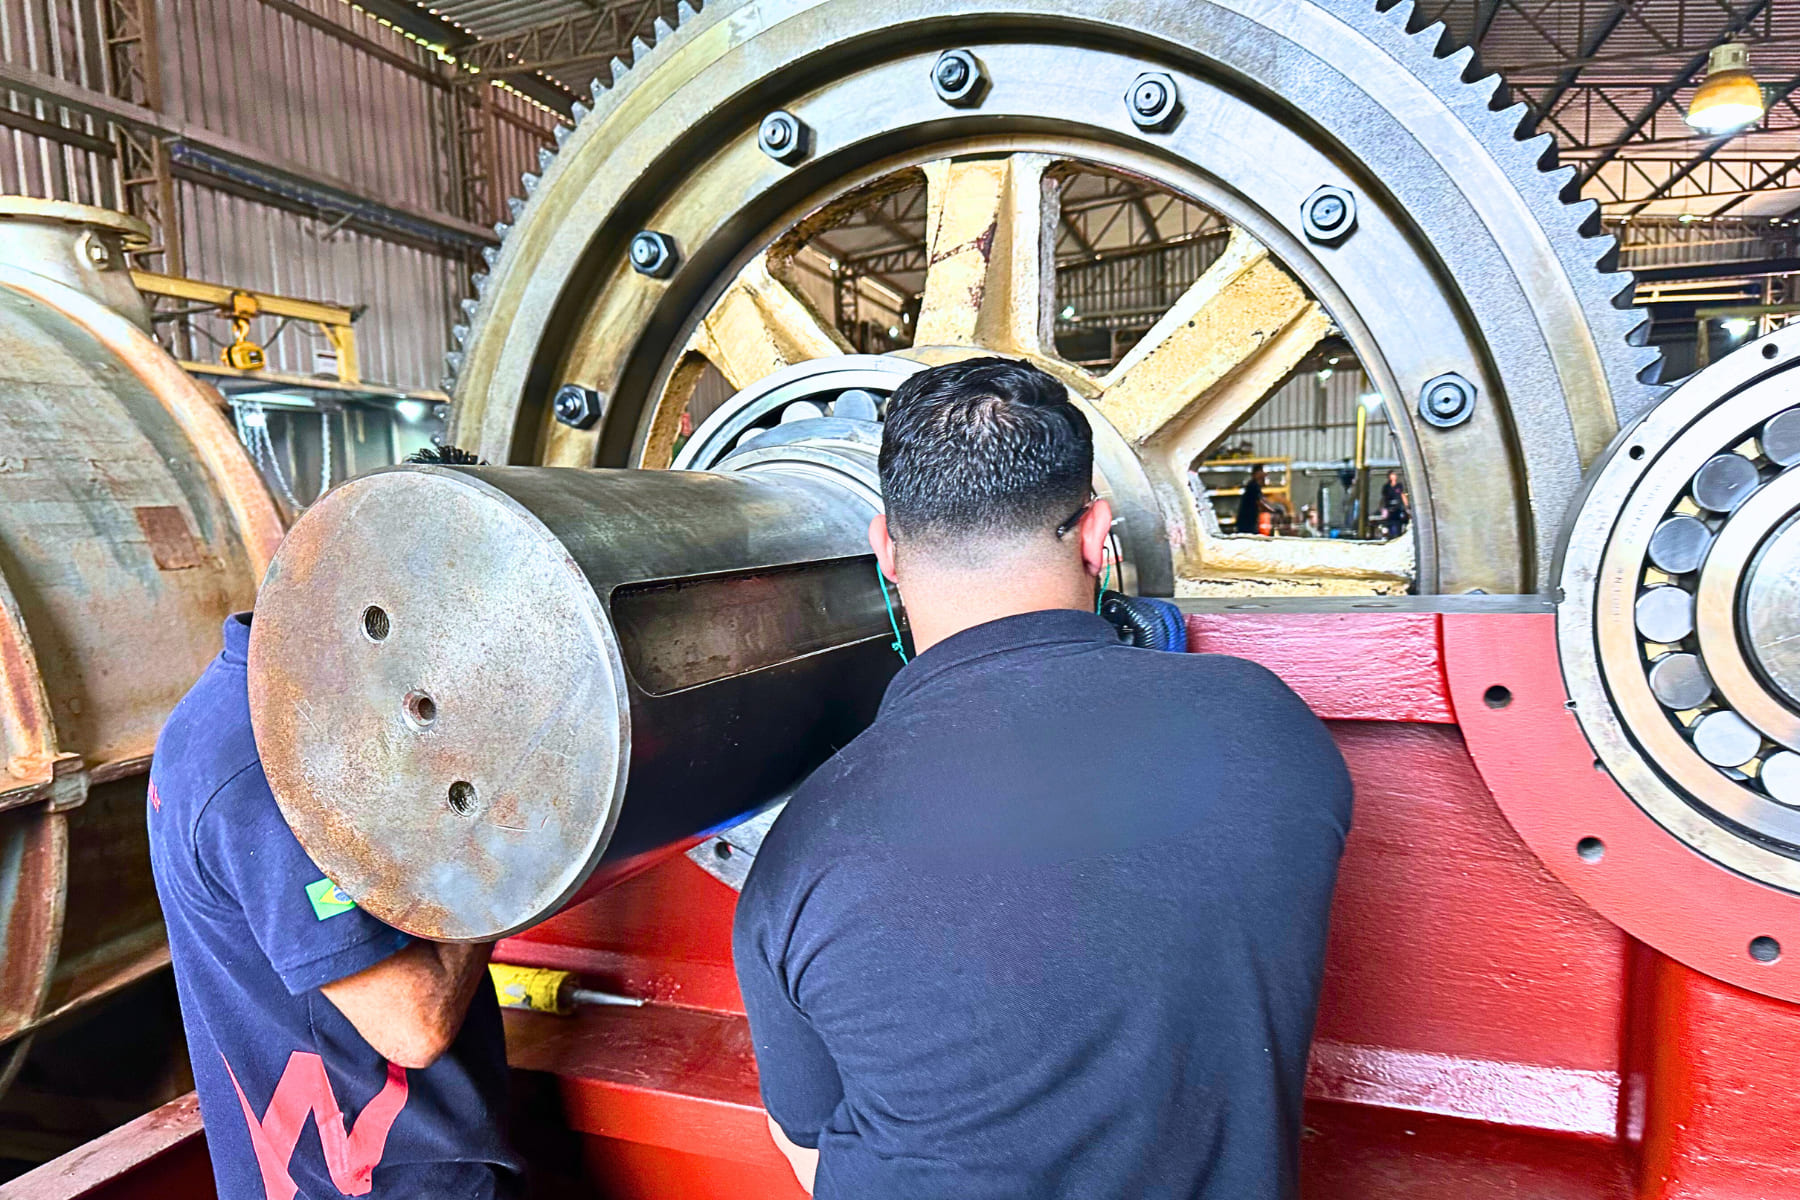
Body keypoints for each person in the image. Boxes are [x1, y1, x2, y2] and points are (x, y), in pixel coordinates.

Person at [733, 357, 1352, 1200]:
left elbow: (807, 1144)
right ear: (1098, 534)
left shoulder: (800, 853)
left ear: (886, 551)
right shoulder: (1271, 726)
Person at [148, 445, 521, 1200]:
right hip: (376, 1176)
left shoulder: (257, 698)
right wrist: (506, 840)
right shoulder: (272, 772)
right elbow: (413, 1023)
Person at [1236, 462, 1268, 534]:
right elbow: (1259, 502)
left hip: (1248, 520)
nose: (1264, 474)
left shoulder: (1254, 485)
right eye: (1262, 471)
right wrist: (1272, 511)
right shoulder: (1253, 486)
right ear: (1257, 473)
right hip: (1247, 521)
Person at [1379, 470, 1409, 540]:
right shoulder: (1386, 487)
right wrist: (1382, 508)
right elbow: (1384, 497)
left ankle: (1398, 535)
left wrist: (1406, 505)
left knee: (1399, 522)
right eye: (1391, 475)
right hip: (1389, 508)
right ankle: (1391, 535)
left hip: (1398, 507)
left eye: (1394, 475)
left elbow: (1402, 495)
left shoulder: (1399, 486)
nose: (1393, 477)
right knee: (1390, 523)